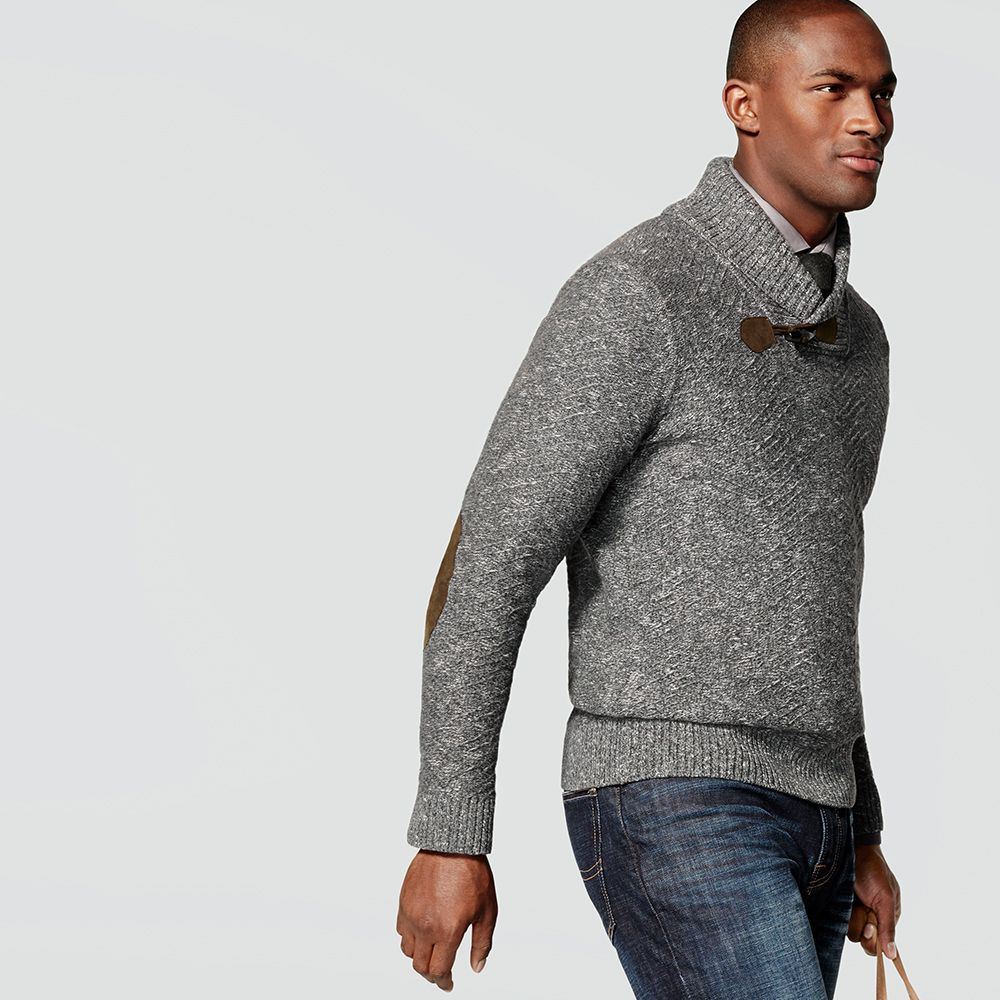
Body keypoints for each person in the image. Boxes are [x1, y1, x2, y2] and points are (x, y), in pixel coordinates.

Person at [396, 1, 905, 996]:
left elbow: (814, 593)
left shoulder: (860, 341)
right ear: (743, 105)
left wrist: (863, 831)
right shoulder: (641, 292)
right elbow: (490, 560)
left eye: (883, 94)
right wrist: (450, 830)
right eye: (834, 89)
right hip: (674, 794)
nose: (870, 119)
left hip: (821, 812)